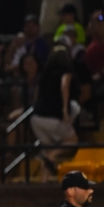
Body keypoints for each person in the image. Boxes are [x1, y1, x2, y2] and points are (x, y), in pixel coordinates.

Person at [31, 46, 79, 180]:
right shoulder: (66, 71)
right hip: (52, 118)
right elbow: (64, 86)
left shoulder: (44, 75)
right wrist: (64, 110)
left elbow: (36, 95)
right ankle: (51, 157)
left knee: (48, 148)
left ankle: (44, 180)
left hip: (36, 118)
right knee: (73, 140)